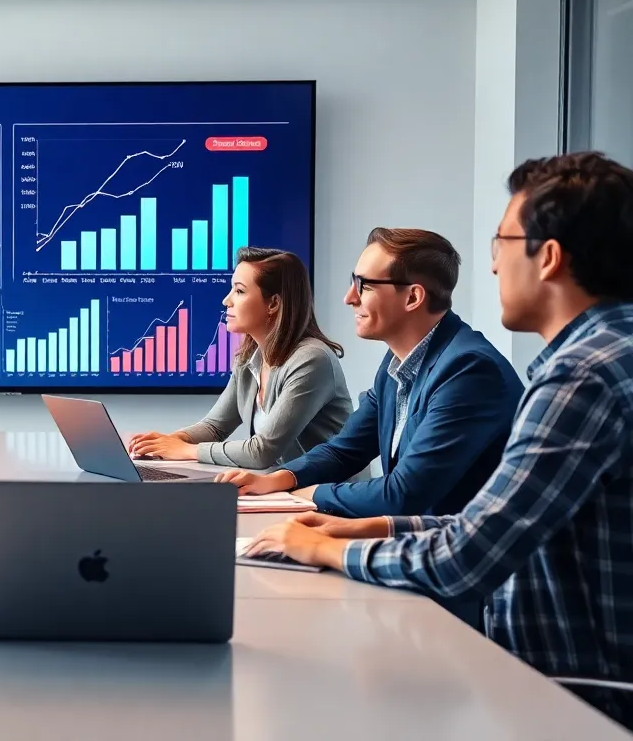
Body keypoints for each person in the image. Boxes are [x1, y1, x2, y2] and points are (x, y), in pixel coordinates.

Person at [244, 151, 633, 728]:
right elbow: (485, 520)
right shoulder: (603, 356)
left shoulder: (581, 376)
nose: (495, 266)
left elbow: (466, 557)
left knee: (315, 692)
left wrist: (324, 548)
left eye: (501, 243)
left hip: (568, 692)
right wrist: (358, 525)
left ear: (548, 257)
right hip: (540, 669)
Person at [217, 228, 524, 519]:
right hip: (414, 542)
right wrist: (278, 480)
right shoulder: (396, 363)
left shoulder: (469, 370)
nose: (350, 298)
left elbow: (403, 494)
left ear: (413, 298)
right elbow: (344, 450)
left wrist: (308, 495)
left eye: (364, 285)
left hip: (461, 562)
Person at [128, 247, 352, 468]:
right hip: (283, 490)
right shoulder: (249, 360)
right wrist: (170, 441)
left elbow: (262, 451)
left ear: (273, 303)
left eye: (240, 291)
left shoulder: (311, 360)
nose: (227, 300)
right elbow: (215, 427)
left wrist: (185, 450)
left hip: (328, 496)